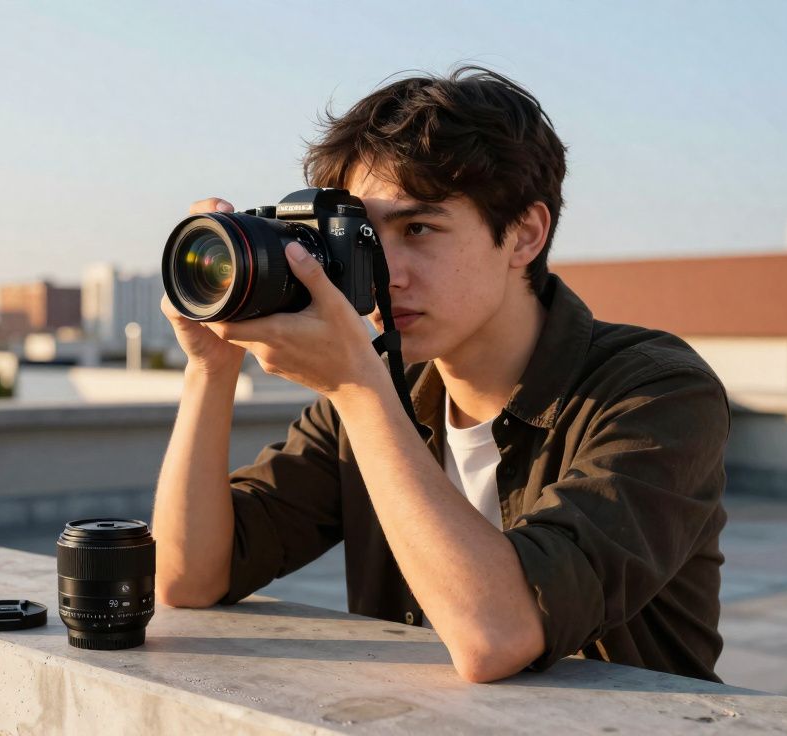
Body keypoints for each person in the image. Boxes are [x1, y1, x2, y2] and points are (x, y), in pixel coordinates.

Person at [152, 66, 729, 684]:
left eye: (419, 229)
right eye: (366, 238)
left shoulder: (657, 393)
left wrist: (358, 390)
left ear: (525, 235)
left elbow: (497, 635)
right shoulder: (378, 390)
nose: (387, 273)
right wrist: (211, 367)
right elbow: (188, 578)